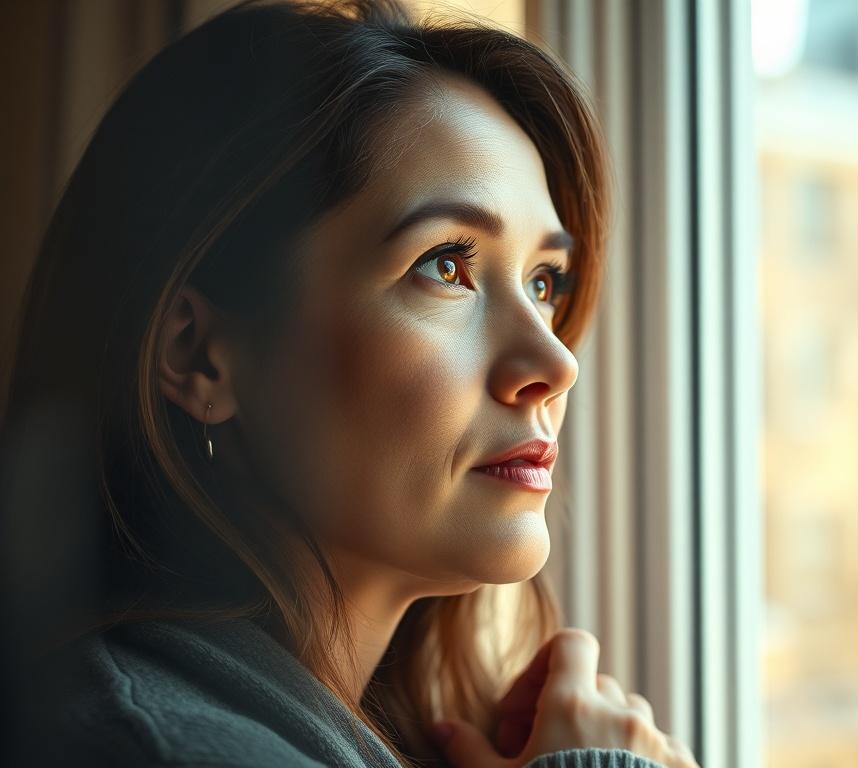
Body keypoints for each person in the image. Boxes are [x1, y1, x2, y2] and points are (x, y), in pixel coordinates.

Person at [0, 1, 699, 766]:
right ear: (200, 355)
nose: (556, 363)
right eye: (447, 266)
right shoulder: (160, 748)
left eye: (542, 282)